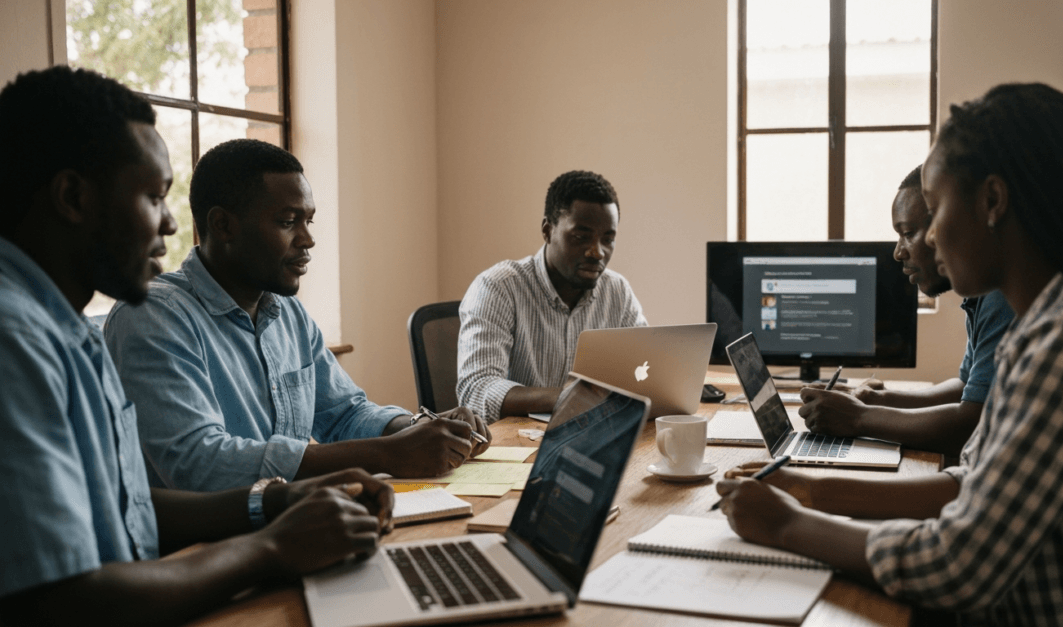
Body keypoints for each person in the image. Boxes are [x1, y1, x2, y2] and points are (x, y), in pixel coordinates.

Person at [715, 83, 1063, 625]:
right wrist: (806, 487)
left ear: (992, 202)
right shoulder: (1049, 326)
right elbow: (978, 483)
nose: (931, 239)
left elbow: (958, 565)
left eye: (936, 208)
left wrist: (785, 526)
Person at [0, 66, 393, 626]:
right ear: (72, 196)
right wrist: (272, 547)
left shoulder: (62, 327)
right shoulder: (15, 341)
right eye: (154, 197)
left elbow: (127, 507)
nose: (166, 224)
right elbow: (66, 599)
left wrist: (277, 501)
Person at [105, 139, 490, 492]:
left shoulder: (287, 312)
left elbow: (344, 414)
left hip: (288, 523)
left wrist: (422, 429)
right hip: (199, 550)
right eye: (288, 222)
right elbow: (199, 463)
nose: (307, 240)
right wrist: (385, 453)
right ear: (222, 225)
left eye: (308, 221)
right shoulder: (153, 315)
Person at [797, 165, 1014, 458]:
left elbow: (972, 424)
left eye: (908, 233)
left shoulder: (1003, 298)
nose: (898, 252)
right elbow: (966, 386)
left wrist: (858, 417)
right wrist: (876, 399)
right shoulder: (981, 296)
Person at [456, 170, 647, 422]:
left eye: (608, 239)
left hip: (590, 439)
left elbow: (645, 372)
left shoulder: (617, 292)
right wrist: (575, 398)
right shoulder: (498, 288)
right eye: (581, 237)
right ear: (547, 230)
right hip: (515, 449)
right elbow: (476, 390)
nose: (597, 252)